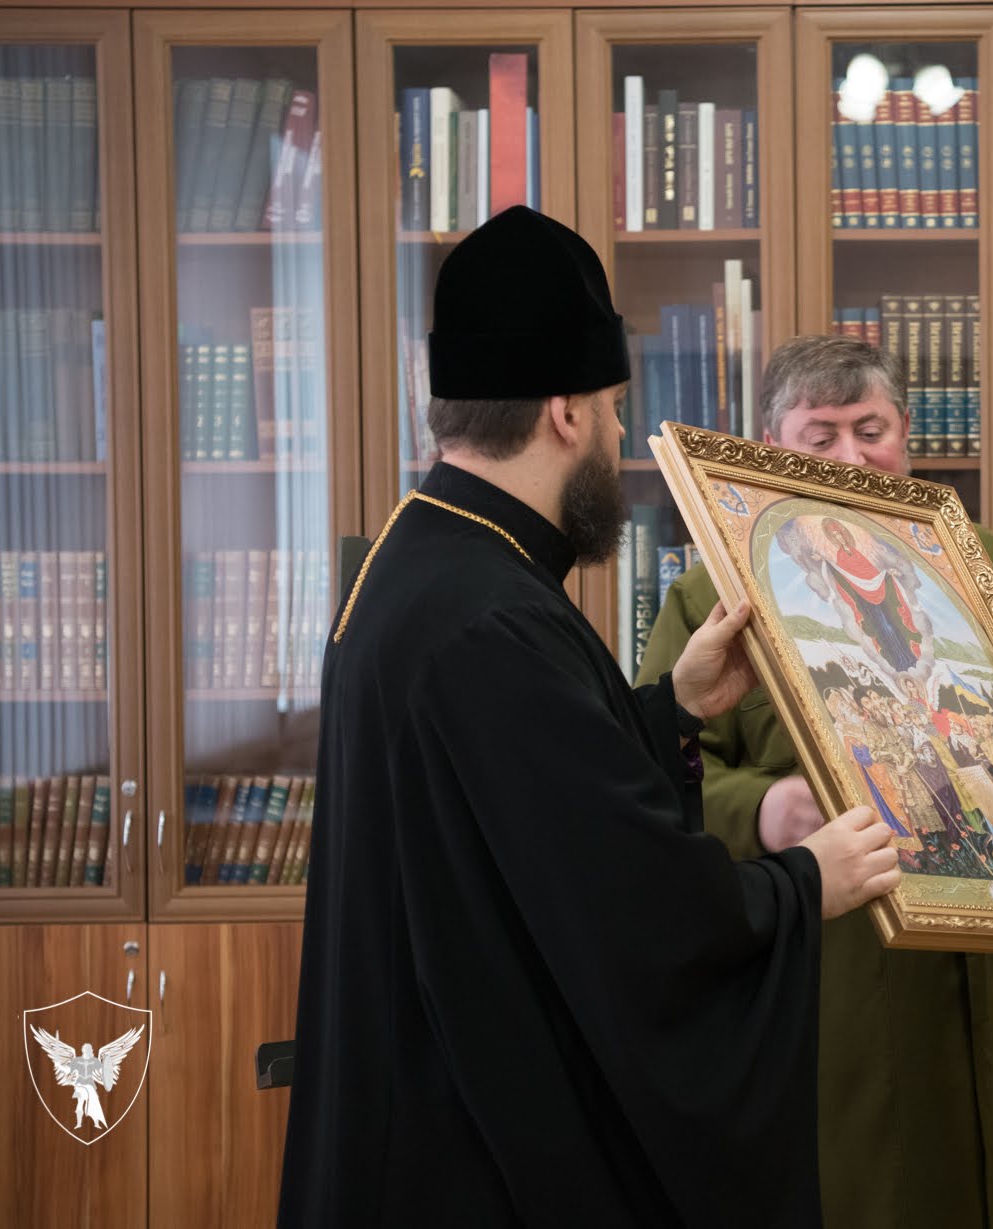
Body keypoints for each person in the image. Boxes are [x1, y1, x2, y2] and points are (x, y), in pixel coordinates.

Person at [278, 208, 900, 1228]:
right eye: (613, 409)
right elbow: (627, 911)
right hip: (463, 1155)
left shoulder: (428, 561)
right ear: (565, 412)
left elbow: (520, 809)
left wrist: (671, 709)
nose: (617, 435)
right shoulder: (490, 616)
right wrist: (804, 882)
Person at [636, 334, 993, 1229]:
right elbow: (647, 779)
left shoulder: (983, 566)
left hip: (972, 954)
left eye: (871, 429)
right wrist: (762, 807)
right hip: (809, 959)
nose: (850, 458)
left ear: (907, 434)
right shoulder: (711, 594)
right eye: (819, 437)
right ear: (767, 448)